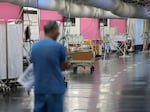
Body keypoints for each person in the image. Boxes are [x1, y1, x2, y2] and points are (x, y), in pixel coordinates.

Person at [31, 20, 69, 112]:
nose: (59, 33)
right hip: (54, 89)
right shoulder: (59, 47)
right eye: (57, 30)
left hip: (39, 88)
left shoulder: (34, 47)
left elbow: (34, 62)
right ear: (53, 30)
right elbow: (63, 66)